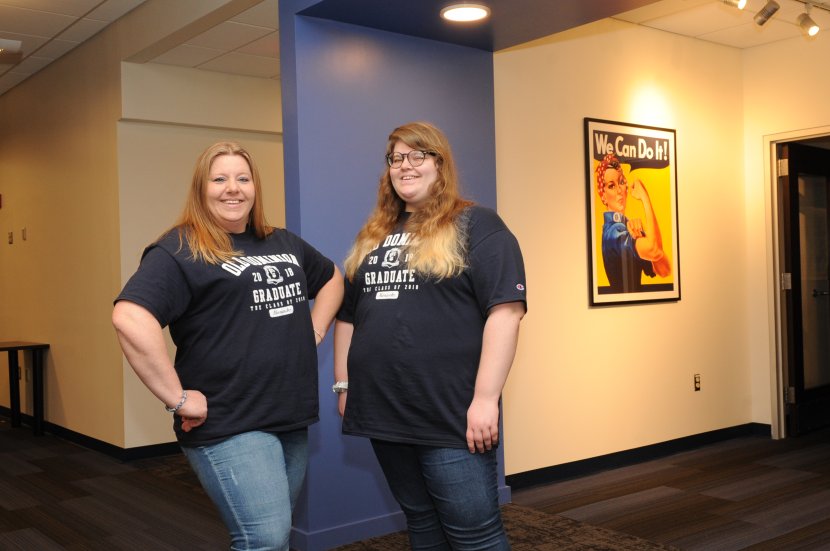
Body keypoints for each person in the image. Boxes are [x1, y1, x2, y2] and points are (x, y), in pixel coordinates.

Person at [112, 141, 343, 551]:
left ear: (255, 187)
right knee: (264, 538)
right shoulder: (179, 249)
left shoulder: (280, 241)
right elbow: (130, 316)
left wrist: (315, 329)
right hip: (229, 422)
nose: (232, 188)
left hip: (288, 414)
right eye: (219, 179)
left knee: (272, 537)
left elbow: (331, 278)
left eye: (243, 178)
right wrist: (177, 398)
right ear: (202, 189)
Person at [333, 122, 527, 550]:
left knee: (474, 534)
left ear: (439, 163)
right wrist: (345, 385)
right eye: (396, 158)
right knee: (421, 521)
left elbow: (506, 312)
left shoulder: (477, 223)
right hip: (385, 408)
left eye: (417, 155)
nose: (405, 165)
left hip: (450, 411)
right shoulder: (375, 235)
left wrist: (484, 399)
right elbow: (348, 316)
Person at [595, 153, 670, 293]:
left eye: (621, 182)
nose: (619, 191)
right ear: (603, 196)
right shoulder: (613, 231)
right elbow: (655, 250)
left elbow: (665, 270)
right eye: (611, 186)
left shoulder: (626, 227)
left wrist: (640, 237)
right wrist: (645, 198)